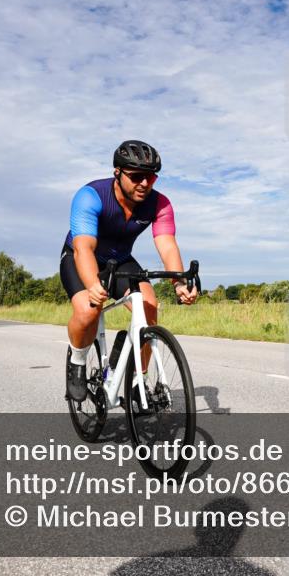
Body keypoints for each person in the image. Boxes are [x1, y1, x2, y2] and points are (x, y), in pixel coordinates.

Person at [61, 140, 197, 402]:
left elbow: (167, 245)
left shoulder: (160, 204)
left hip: (121, 260)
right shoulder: (91, 196)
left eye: (151, 177)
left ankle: (137, 379)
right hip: (81, 257)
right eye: (136, 177)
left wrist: (179, 283)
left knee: (149, 306)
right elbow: (83, 248)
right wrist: (93, 283)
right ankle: (77, 362)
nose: (144, 183)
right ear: (117, 173)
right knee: (88, 311)